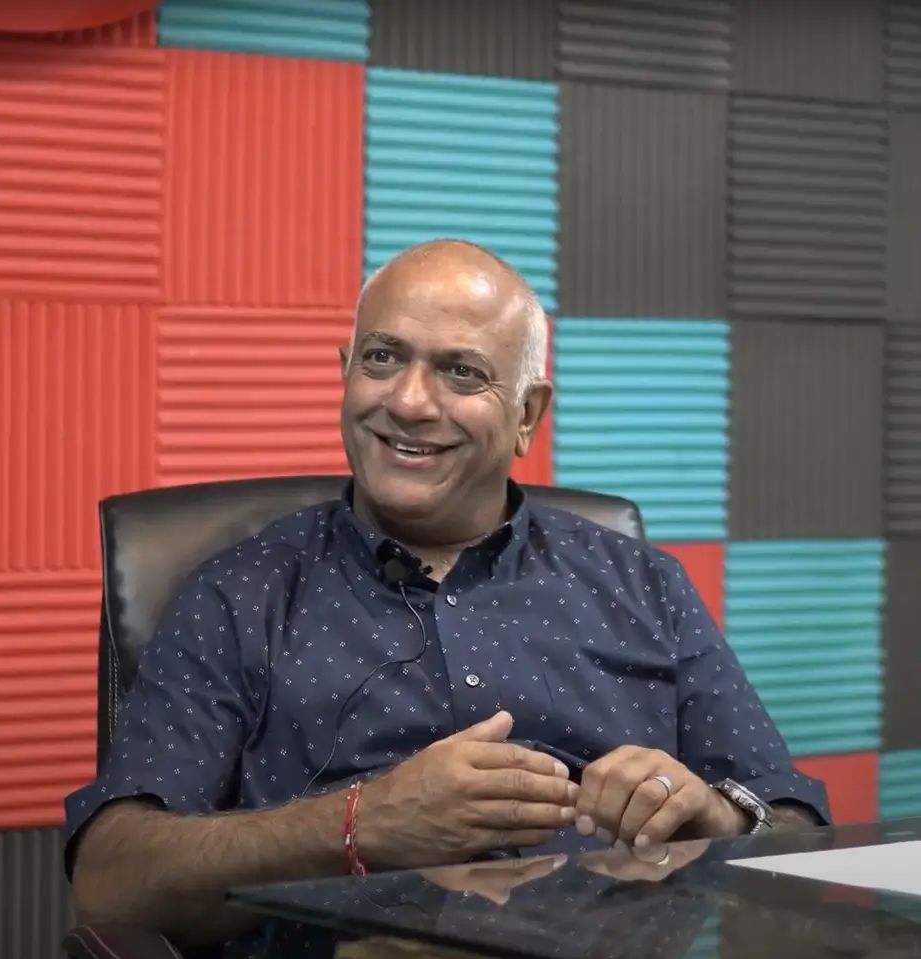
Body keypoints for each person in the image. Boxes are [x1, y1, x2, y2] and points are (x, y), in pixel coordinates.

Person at [65, 239, 830, 957]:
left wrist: (710, 816)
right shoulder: (239, 592)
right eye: (382, 357)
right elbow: (111, 878)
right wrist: (361, 825)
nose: (408, 400)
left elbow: (796, 829)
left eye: (461, 372)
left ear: (527, 414)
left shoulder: (644, 583)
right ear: (344, 373)